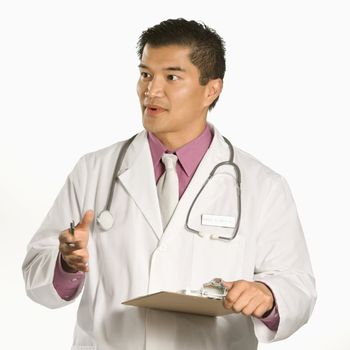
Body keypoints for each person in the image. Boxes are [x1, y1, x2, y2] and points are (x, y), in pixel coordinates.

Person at [22, 18, 316, 350]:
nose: (151, 90)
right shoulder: (93, 170)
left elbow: (298, 286)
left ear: (211, 89)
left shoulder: (262, 185)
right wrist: (65, 264)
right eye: (146, 74)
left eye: (171, 77)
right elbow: (35, 271)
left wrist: (268, 295)